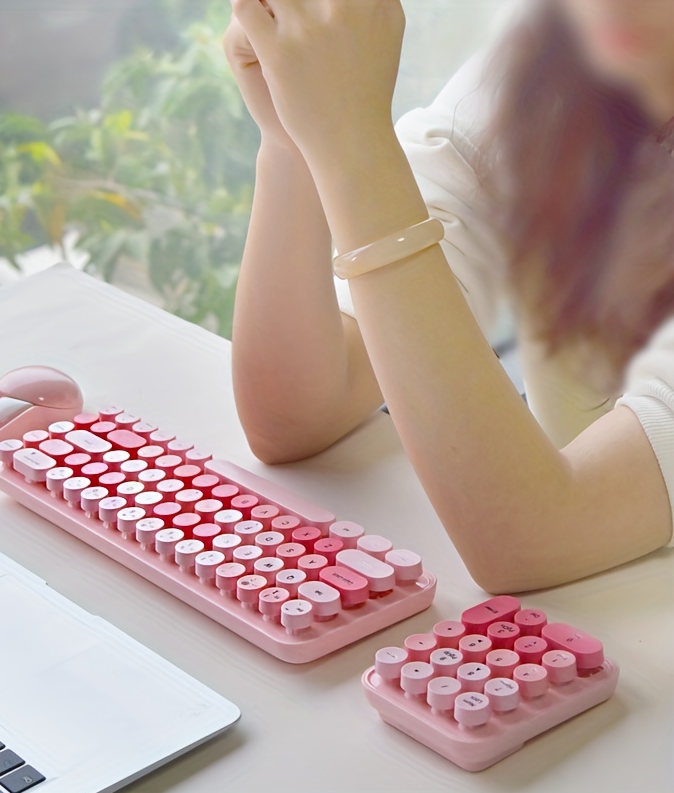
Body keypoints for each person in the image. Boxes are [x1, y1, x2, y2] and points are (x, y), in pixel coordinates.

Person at [223, 0, 674, 593]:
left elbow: (538, 534)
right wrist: (293, 137)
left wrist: (352, 139)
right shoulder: (564, 58)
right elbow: (297, 412)